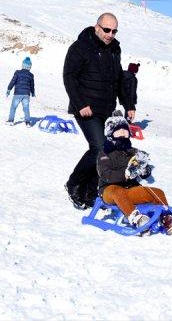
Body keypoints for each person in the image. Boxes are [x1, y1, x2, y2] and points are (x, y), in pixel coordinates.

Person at [63, 12, 135, 210]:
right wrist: (80, 103)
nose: (110, 34)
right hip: (86, 109)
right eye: (106, 30)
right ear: (96, 27)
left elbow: (119, 78)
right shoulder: (80, 48)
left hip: (106, 108)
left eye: (114, 31)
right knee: (98, 147)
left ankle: (89, 190)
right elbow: (69, 77)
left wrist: (128, 104)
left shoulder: (114, 49)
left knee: (107, 150)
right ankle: (74, 183)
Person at [97, 112, 172, 235]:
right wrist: (125, 174)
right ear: (110, 134)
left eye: (125, 130)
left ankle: (167, 218)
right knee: (117, 191)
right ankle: (137, 219)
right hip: (109, 191)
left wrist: (144, 170)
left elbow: (143, 171)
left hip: (129, 190)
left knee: (157, 192)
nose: (122, 133)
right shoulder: (104, 153)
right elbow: (105, 175)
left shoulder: (132, 151)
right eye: (118, 131)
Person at [6, 57, 35, 125]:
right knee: (26, 108)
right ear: (30, 67)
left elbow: (13, 81)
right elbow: (32, 85)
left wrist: (9, 89)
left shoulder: (17, 72)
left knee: (13, 107)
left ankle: (10, 121)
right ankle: (28, 122)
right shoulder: (31, 75)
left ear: (22, 65)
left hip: (18, 93)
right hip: (26, 94)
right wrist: (33, 93)